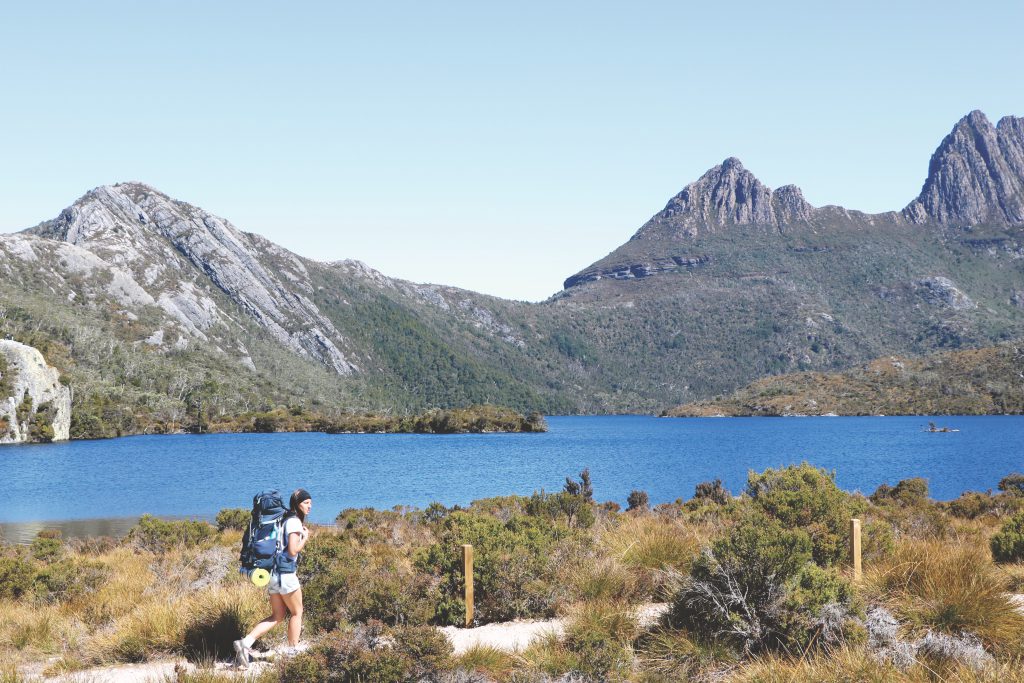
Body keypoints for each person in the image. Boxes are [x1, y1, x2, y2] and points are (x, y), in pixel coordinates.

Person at [234, 488, 312, 666]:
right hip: (286, 575)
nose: (309, 506)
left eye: (310, 503)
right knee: (297, 612)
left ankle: (244, 643)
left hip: (273, 575)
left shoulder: (283, 519)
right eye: (306, 503)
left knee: (277, 616)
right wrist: (305, 537)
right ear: (297, 503)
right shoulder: (293, 522)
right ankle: (292, 653)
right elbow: (293, 550)